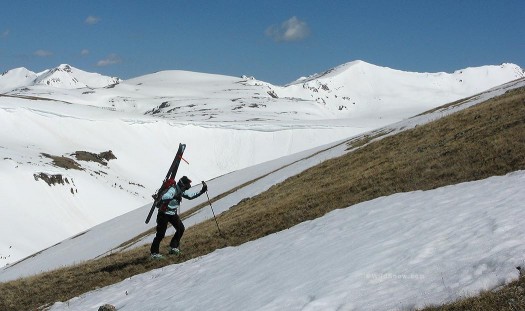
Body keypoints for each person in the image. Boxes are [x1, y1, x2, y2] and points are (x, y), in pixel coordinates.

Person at [150, 176, 207, 259]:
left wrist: (202, 191)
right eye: (187, 185)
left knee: (180, 229)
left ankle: (173, 247)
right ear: (183, 185)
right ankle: (154, 254)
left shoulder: (181, 190)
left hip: (172, 213)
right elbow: (165, 197)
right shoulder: (173, 190)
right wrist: (174, 196)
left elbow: (190, 196)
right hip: (163, 214)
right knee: (160, 234)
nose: (188, 187)